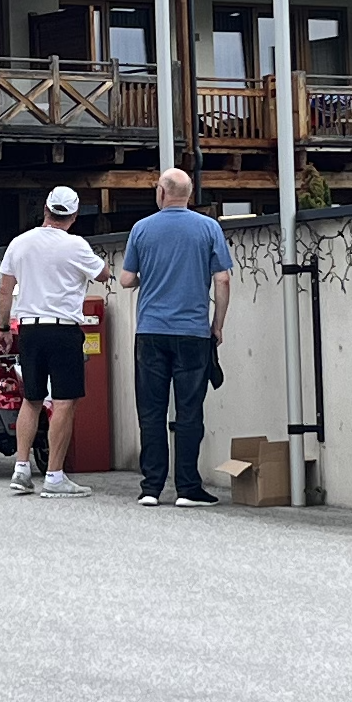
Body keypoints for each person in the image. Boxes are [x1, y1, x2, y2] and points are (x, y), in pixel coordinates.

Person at [115, 166, 234, 508]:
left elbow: (125, 280)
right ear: (190, 194)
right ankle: (188, 488)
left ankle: (151, 488)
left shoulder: (142, 229)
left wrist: (149, 277)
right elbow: (223, 280)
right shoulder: (209, 228)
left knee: (151, 411)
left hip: (151, 332)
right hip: (193, 333)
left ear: (161, 192)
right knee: (189, 411)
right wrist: (218, 324)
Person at [0, 183, 107, 499]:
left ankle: (21, 469)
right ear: (73, 216)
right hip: (63, 330)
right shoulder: (76, 245)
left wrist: (4, 328)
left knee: (30, 398)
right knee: (64, 401)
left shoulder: (20, 243)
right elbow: (104, 274)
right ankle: (55, 476)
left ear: (45, 210)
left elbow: (5, 290)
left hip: (28, 328)